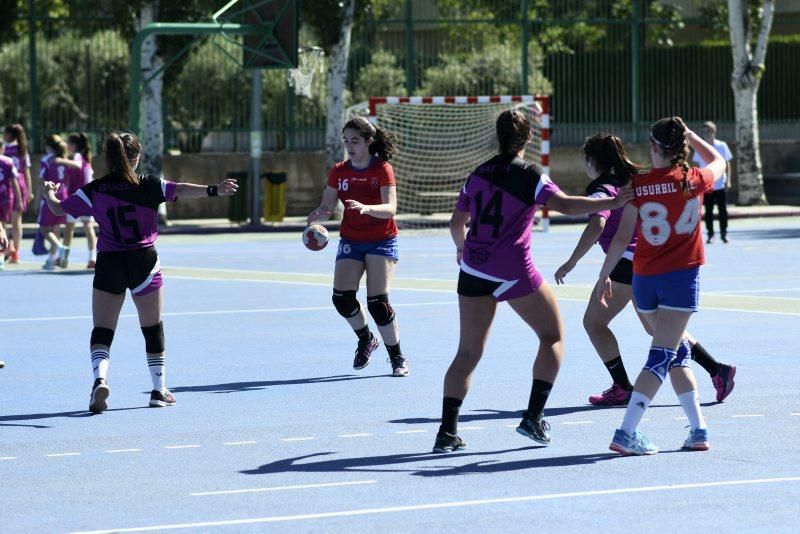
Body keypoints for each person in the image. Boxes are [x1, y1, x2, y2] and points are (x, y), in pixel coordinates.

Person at [432, 109, 634, 453]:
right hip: (513, 270)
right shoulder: (531, 176)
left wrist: (462, 248)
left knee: (467, 353)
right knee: (552, 336)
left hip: (474, 269)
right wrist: (615, 200)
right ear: (529, 138)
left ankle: (447, 432)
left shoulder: (476, 174)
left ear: (497, 136)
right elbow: (569, 207)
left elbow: (456, 223)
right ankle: (533, 417)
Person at [41, 132, 238, 413]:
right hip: (143, 261)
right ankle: (159, 390)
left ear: (108, 159)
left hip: (109, 262)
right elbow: (180, 188)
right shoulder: (148, 185)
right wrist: (214, 190)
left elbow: (58, 208)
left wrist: (48, 190)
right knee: (152, 328)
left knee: (102, 329)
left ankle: (100, 379)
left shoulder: (95, 189)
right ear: (136, 157)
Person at [555, 134, 736, 406]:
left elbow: (597, 225)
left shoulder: (601, 190)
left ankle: (622, 387)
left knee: (593, 323)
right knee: (660, 329)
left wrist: (571, 262)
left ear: (591, 161)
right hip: (644, 262)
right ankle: (717, 370)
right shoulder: (630, 182)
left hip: (626, 264)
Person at [598, 117, 726, 456]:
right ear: (681, 147)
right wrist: (694, 137)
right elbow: (720, 161)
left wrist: (603, 275)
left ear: (654, 147)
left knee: (676, 353)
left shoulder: (638, 185)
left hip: (644, 281)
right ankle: (626, 432)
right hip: (679, 281)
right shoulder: (692, 180)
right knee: (661, 355)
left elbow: (623, 236)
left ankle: (698, 430)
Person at [307, 116, 409, 377]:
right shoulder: (339, 170)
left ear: (368, 142)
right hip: (352, 240)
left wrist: (367, 208)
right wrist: (316, 216)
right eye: (346, 141)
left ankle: (396, 357)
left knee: (377, 302)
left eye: (355, 141)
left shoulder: (382, 169)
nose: (350, 146)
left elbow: (391, 208)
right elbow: (328, 206)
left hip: (382, 240)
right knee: (341, 298)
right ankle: (366, 339)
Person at [56, 133, 98, 268]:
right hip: (87, 197)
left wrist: (60, 160)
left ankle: (64, 258)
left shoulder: (78, 157)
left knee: (70, 229)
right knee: (86, 228)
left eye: (68, 143)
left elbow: (77, 165)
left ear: (73, 145)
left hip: (79, 198)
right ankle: (92, 258)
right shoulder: (85, 158)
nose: (66, 145)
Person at [693, 121, 733, 244]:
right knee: (708, 211)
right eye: (703, 132)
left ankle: (724, 233)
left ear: (714, 132)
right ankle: (710, 234)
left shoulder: (722, 146)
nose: (705, 134)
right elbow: (697, 166)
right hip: (707, 185)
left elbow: (727, 163)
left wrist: (728, 181)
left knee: (723, 210)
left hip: (720, 184)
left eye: (708, 131)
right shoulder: (700, 147)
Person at [2, 124, 34, 263]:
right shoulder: (22, 149)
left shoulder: (4, 149)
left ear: (9, 135)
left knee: (2, 222)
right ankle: (16, 252)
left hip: (6, 187)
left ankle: (6, 249)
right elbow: (26, 172)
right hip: (20, 186)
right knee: (17, 222)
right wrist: (29, 191)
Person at [37, 135, 70, 270]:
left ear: (49, 147)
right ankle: (51, 260)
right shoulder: (65, 160)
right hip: (63, 195)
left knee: (44, 228)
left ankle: (61, 248)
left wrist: (40, 198)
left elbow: (42, 181)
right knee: (56, 228)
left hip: (50, 196)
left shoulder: (46, 160)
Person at [0, 153, 22, 271]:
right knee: (2, 227)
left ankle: (2, 257)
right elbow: (14, 181)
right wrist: (19, 199)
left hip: (3, 197)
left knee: (1, 229)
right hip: (6, 197)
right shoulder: (8, 161)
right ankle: (9, 251)